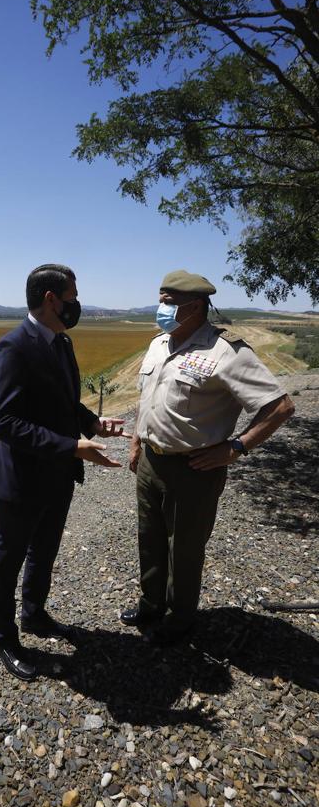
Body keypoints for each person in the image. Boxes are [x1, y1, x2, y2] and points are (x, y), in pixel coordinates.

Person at [123, 269, 295, 645]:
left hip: (194, 468)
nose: (161, 309)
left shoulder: (226, 351)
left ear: (196, 306)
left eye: (169, 303)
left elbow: (280, 407)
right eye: (161, 301)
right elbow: (147, 399)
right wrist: (137, 441)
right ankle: (151, 605)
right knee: (149, 539)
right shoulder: (158, 344)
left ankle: (179, 621)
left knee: (183, 550)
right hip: (151, 460)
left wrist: (236, 447)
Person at [0, 263, 127, 680]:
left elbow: (62, 401)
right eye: (72, 298)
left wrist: (92, 423)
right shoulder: (13, 347)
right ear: (50, 300)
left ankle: (34, 614)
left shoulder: (61, 342)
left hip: (59, 474)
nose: (76, 306)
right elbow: (5, 422)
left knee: (44, 550)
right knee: (9, 556)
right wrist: (71, 446)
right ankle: (4, 638)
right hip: (22, 479)